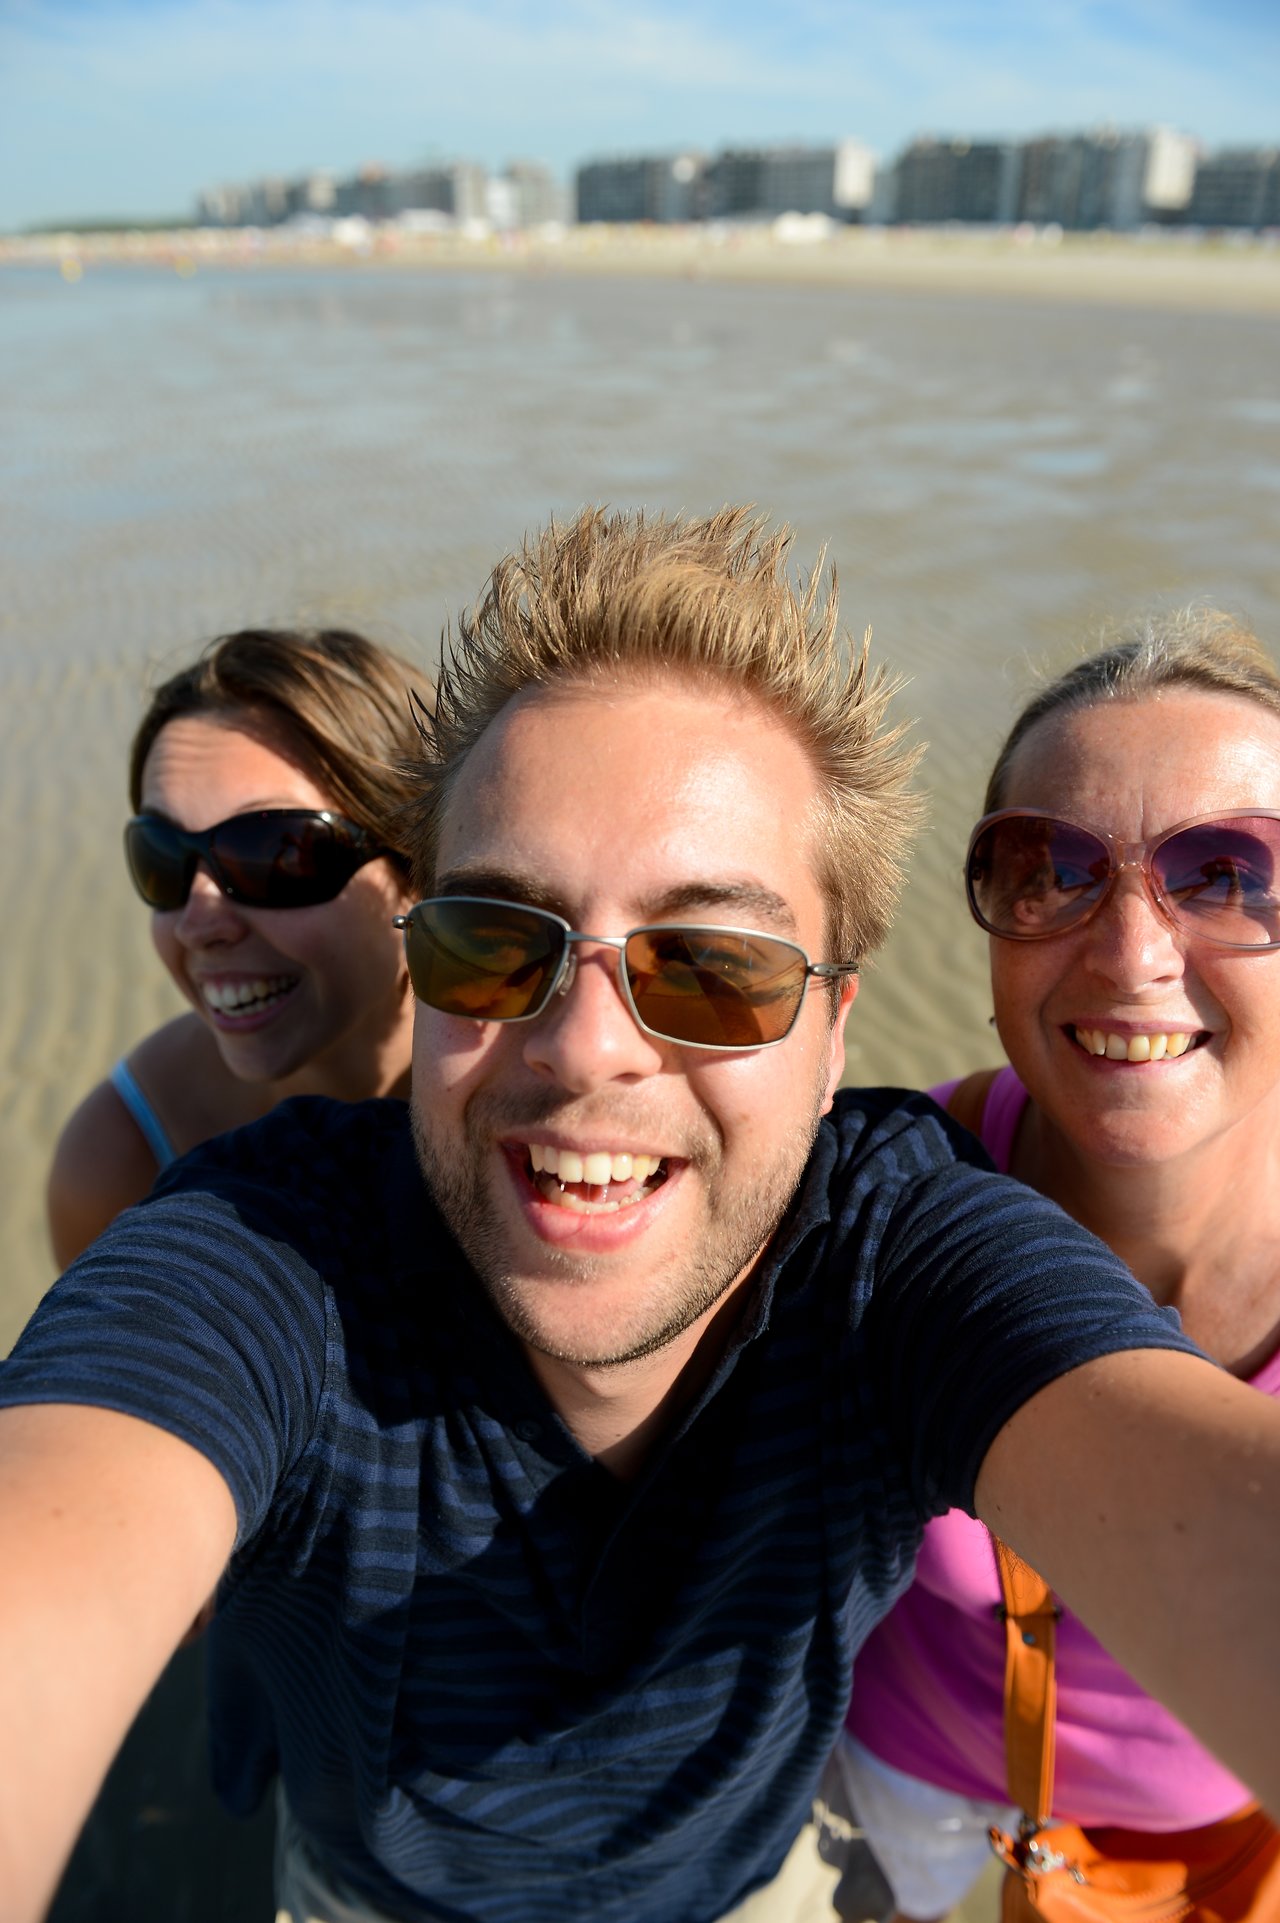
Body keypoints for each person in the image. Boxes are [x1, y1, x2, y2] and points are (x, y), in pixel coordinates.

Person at [1, 512, 1279, 1923]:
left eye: (713, 962)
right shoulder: (261, 1243)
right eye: (497, 940)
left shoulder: (898, 1250)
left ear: (836, 1027)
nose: (585, 1046)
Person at [838, 610, 1280, 1922]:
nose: (1132, 952)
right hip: (903, 1785)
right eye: (1048, 868)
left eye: (1228, 872)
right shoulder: (877, 1192)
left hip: (1209, 1832)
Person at [46, 625, 425, 1268]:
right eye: (163, 859)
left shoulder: (549, 1069)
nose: (198, 924)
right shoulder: (121, 1163)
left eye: (274, 854)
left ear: (420, 868)